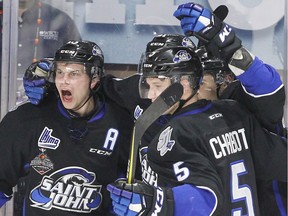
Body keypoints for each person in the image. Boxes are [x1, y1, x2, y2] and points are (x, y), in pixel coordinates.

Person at [107, 45, 287, 216]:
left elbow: (207, 198)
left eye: (158, 86)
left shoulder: (177, 133)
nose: (151, 96)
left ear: (184, 84)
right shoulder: (233, 112)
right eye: (148, 86)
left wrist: (156, 202)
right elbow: (281, 162)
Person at [173, 2, 287, 215]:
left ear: (222, 80)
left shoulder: (239, 100)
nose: (193, 91)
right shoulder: (181, 116)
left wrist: (230, 48)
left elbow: (270, 89)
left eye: (200, 83)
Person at [0, 40, 134, 215]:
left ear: (94, 80)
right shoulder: (29, 118)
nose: (64, 81)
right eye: (60, 73)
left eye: (74, 74)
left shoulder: (120, 122)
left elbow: (131, 189)